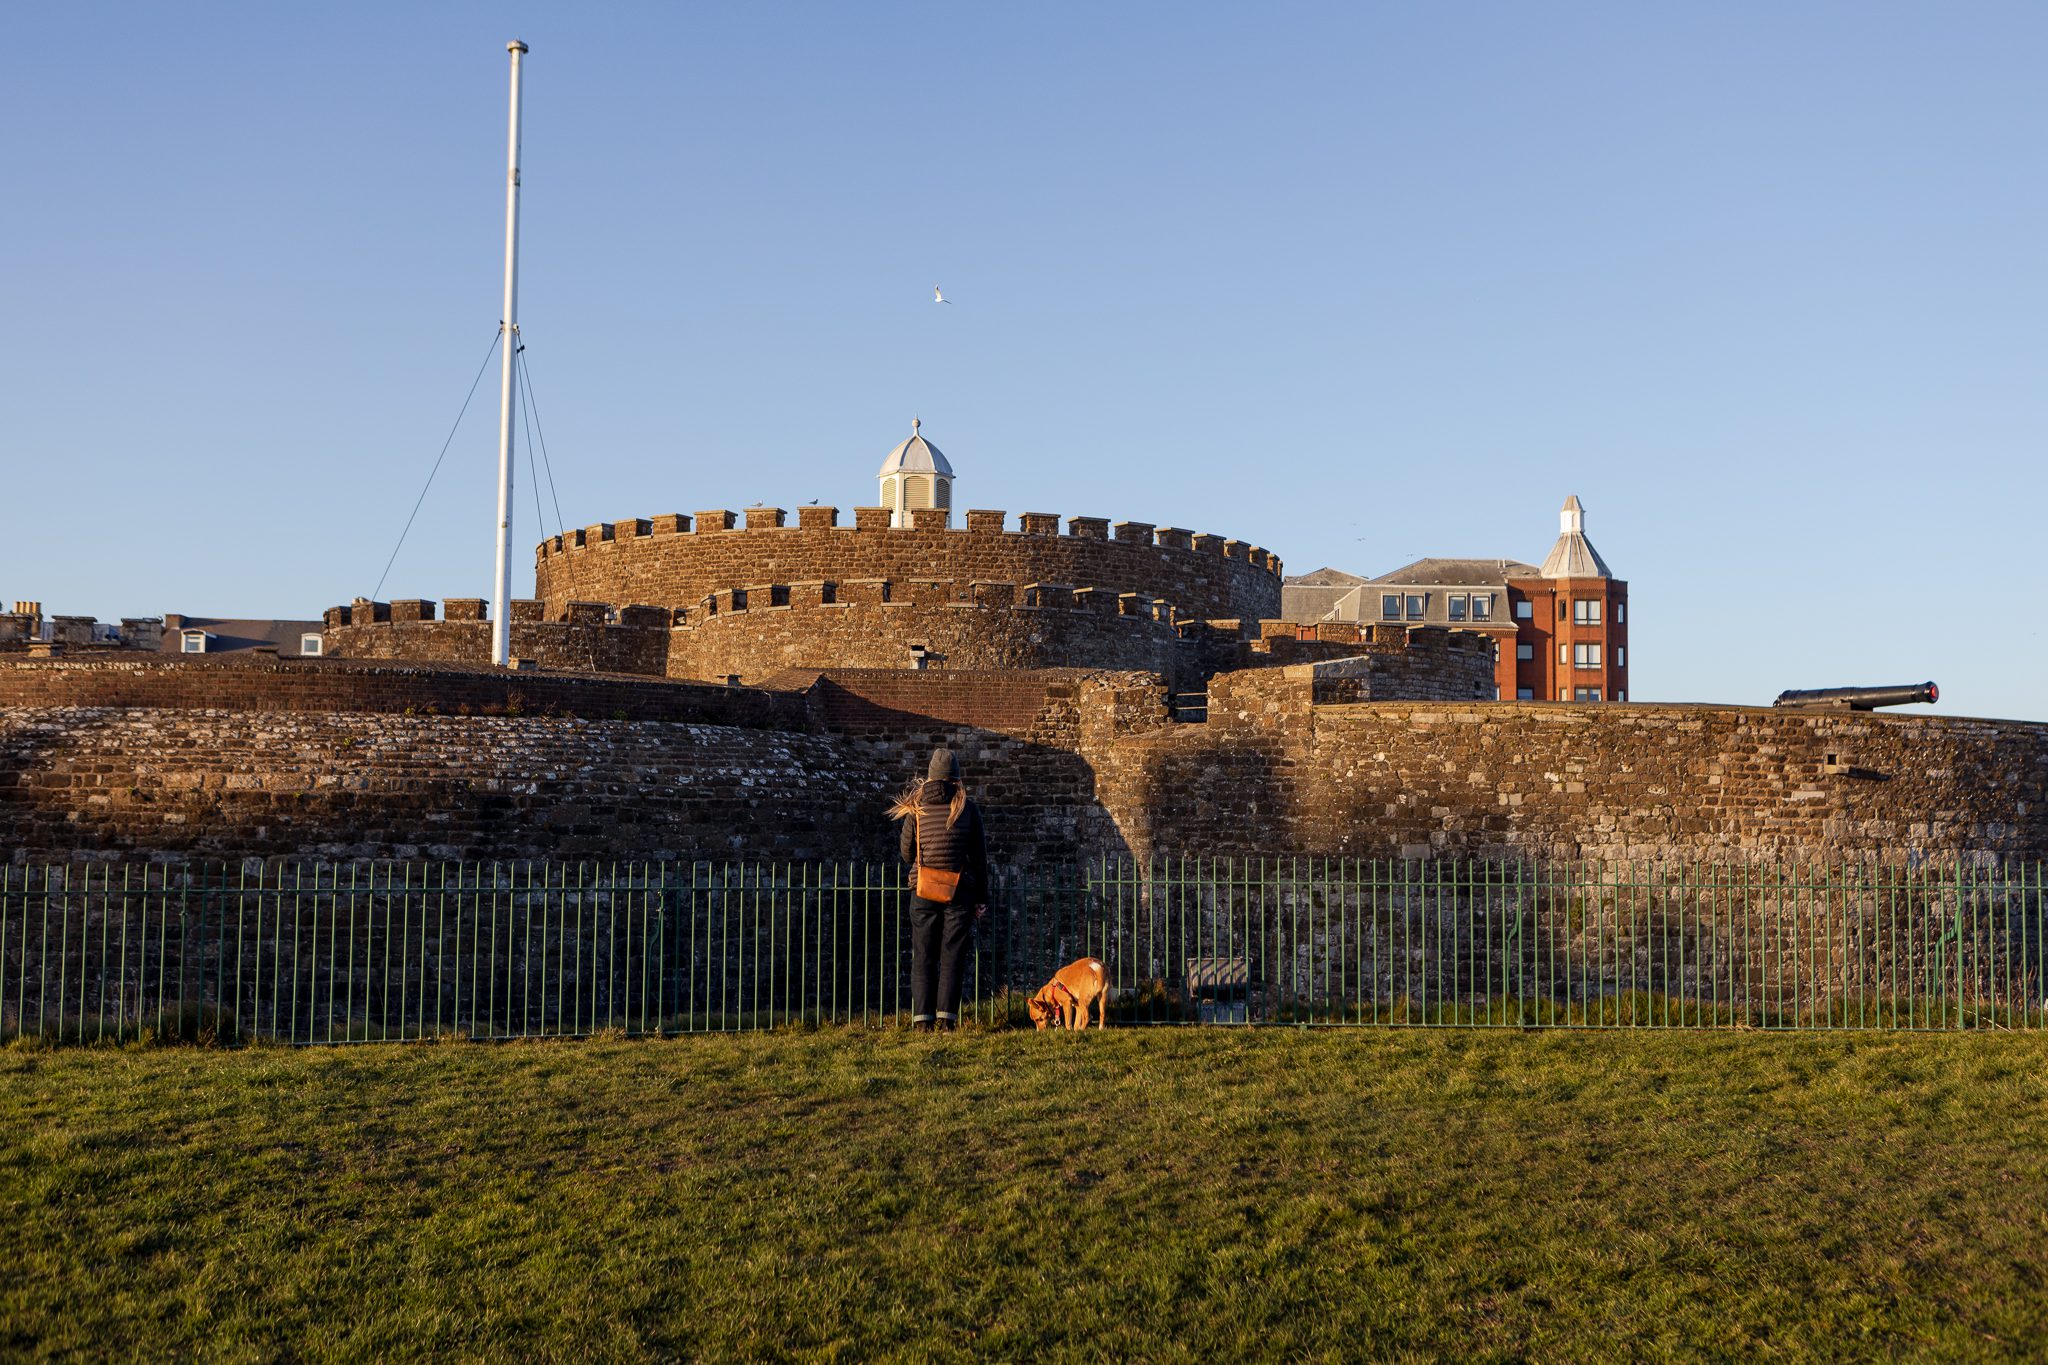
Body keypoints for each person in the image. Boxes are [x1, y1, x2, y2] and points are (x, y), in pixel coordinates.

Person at [897, 747, 990, 1032]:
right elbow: (979, 857)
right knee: (952, 956)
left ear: (930, 778)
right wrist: (981, 897)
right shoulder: (967, 808)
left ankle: (921, 1021)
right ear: (956, 779)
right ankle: (946, 1019)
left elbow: (906, 853)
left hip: (923, 890)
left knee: (923, 954)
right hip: (959, 892)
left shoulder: (916, 808)